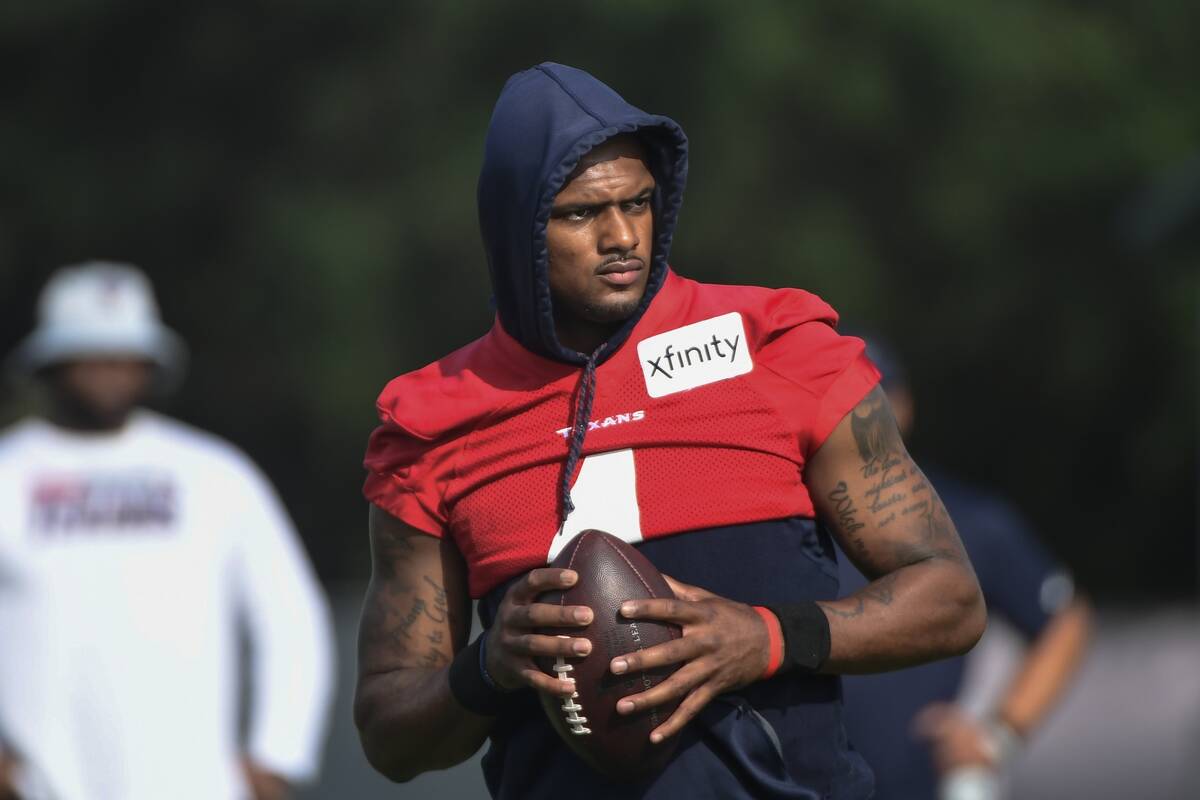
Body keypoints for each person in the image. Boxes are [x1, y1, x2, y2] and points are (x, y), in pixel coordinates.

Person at [355, 63, 986, 799]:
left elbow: (950, 597)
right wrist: (488, 665)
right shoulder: (435, 425)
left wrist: (767, 638)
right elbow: (388, 735)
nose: (623, 236)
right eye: (583, 213)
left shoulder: (779, 348)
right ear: (516, 222)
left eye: (639, 204)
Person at [0, 263, 335, 800]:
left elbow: (289, 617)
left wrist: (279, 755)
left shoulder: (215, 473)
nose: (110, 366)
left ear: (149, 363)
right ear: (50, 362)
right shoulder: (10, 472)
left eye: (125, 352)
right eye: (89, 351)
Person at [837, 336, 1092, 800]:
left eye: (872, 398)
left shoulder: (968, 520)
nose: (858, 415)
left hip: (928, 785)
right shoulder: (783, 518)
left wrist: (1000, 735)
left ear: (903, 405)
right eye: (840, 399)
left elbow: (1064, 621)